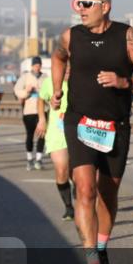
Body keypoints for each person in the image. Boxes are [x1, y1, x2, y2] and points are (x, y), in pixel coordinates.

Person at [50, 0, 133, 264]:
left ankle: (102, 247)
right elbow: (58, 57)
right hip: (79, 121)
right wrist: (58, 89)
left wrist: (124, 82)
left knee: (108, 192)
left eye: (87, 4)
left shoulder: (127, 36)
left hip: (115, 125)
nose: (80, 9)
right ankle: (92, 259)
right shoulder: (71, 36)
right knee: (85, 188)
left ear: (105, 7)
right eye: (78, 4)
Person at [37, 68, 75, 221]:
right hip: (57, 132)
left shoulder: (80, 81)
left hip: (79, 131)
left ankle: (81, 194)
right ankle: (69, 207)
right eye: (63, 68)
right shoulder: (50, 82)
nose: (66, 71)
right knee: (61, 170)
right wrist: (42, 119)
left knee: (78, 173)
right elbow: (41, 99)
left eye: (69, 68)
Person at [14, 56, 46, 170]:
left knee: (42, 135)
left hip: (43, 111)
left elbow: (49, 92)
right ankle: (29, 158)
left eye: (39, 65)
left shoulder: (45, 77)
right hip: (29, 111)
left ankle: (38, 159)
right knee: (30, 135)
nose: (37, 67)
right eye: (35, 65)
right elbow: (17, 91)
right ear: (32, 66)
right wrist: (26, 91)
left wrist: (40, 91)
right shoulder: (25, 77)